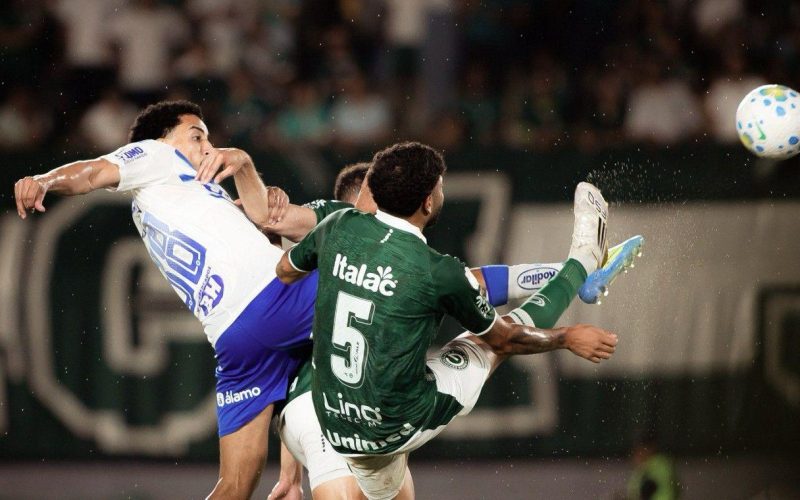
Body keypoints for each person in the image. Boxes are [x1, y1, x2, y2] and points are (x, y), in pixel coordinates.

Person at [275, 142, 620, 499]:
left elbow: (285, 270)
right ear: (427, 202)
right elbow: (506, 340)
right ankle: (584, 257)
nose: (442, 191)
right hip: (391, 427)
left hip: (335, 425)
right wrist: (566, 336)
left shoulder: (338, 226)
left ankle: (573, 270)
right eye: (439, 186)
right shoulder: (436, 270)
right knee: (487, 344)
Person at [13, 100, 311, 500]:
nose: (207, 146)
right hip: (273, 299)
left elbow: (264, 225)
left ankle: (291, 480)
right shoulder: (157, 156)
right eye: (196, 135)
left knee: (234, 485)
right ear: (163, 140)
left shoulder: (187, 194)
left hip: (234, 339)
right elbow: (93, 173)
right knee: (362, 273)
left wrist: (246, 171)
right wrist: (44, 178)